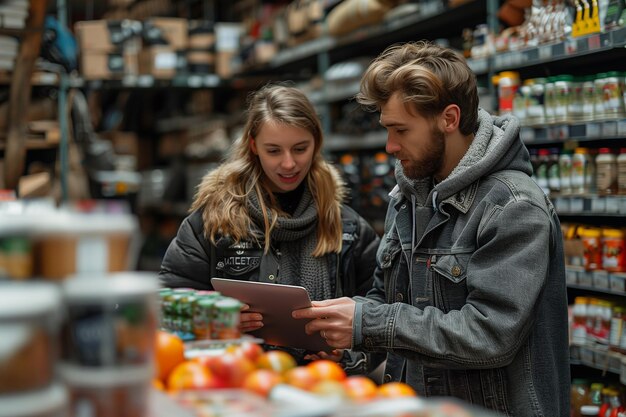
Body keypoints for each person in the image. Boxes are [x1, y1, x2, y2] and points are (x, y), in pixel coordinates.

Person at [293, 41, 570, 415]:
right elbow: (387, 300)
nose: (390, 145)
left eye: (401, 130)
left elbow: (489, 335)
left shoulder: (513, 206)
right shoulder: (408, 195)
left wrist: (366, 323)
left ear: (449, 119)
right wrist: (344, 333)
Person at [159, 84, 380, 362]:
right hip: (239, 383)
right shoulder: (214, 221)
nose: (288, 164)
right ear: (254, 146)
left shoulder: (348, 228)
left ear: (316, 143)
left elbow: (378, 313)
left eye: (300, 149)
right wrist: (215, 324)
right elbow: (167, 306)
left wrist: (348, 356)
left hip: (325, 386)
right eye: (274, 151)